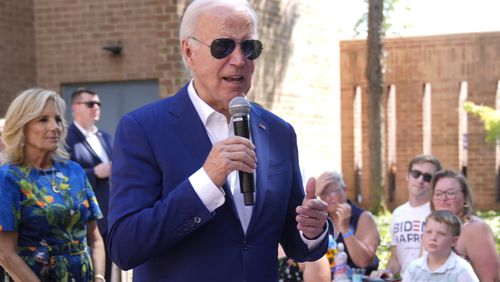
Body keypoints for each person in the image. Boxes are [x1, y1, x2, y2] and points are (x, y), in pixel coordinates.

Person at [107, 0, 329, 281]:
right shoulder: (143, 128)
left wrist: (312, 230)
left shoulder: (278, 131)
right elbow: (125, 246)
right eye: (222, 46)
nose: (239, 60)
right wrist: (206, 182)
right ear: (189, 52)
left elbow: (297, 244)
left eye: (249, 47)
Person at [0, 88, 105, 281]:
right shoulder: (8, 178)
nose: (55, 126)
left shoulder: (74, 171)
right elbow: (5, 254)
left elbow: (95, 239)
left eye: (57, 119)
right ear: (22, 126)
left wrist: (99, 277)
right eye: (43, 119)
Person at [66, 88, 114, 281]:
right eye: (90, 104)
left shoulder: (106, 137)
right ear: (75, 108)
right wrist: (94, 172)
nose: (96, 107)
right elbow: (63, 176)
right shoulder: (66, 139)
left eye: (98, 104)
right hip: (83, 219)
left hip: (109, 216)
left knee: (106, 272)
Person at [370, 154, 442, 279]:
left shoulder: (437, 212)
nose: (420, 180)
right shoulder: (398, 213)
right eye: (416, 174)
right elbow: (395, 259)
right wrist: (386, 272)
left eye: (427, 177)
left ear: (434, 183)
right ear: (407, 176)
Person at [431, 169, 500, 281]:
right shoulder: (432, 229)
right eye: (438, 193)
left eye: (450, 193)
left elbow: (491, 279)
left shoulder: (475, 229)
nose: (443, 198)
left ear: (465, 199)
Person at [315, 171, 380, 277]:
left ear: (344, 190)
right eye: (322, 193)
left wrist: (345, 229)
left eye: (331, 192)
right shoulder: (322, 220)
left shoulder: (363, 217)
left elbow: (363, 262)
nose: (327, 198)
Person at [402, 210, 479, 281]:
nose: (433, 238)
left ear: (454, 241)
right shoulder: (413, 268)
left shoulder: (461, 269)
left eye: (441, 234)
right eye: (429, 232)